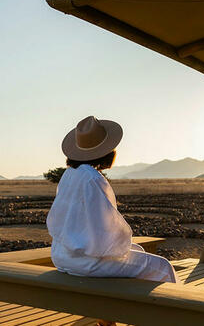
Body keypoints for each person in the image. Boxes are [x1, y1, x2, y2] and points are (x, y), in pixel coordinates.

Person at [47, 116, 178, 284]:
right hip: (85, 261)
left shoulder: (70, 174)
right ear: (107, 151)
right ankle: (180, 308)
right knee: (163, 267)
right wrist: (119, 245)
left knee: (138, 250)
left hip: (61, 254)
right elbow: (103, 227)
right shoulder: (93, 179)